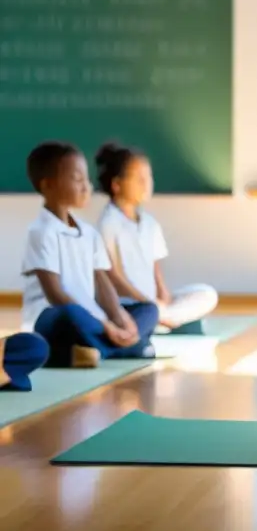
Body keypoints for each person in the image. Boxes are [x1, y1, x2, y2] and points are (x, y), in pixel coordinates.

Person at [22, 141, 159, 368]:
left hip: (93, 318)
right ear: (48, 185)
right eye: (77, 179)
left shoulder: (89, 232)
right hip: (53, 318)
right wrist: (107, 327)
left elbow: (101, 281)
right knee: (71, 315)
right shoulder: (41, 232)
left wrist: (120, 318)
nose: (87, 187)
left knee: (149, 310)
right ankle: (123, 348)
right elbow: (55, 295)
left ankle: (94, 351)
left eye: (87, 179)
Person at [94, 142, 219, 335]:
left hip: (152, 303)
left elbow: (155, 267)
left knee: (206, 294)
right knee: (141, 311)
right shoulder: (108, 223)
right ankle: (159, 320)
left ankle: (161, 320)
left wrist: (163, 294)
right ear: (117, 184)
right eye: (139, 178)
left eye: (148, 176)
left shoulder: (149, 222)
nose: (147, 184)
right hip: (128, 303)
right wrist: (145, 301)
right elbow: (112, 276)